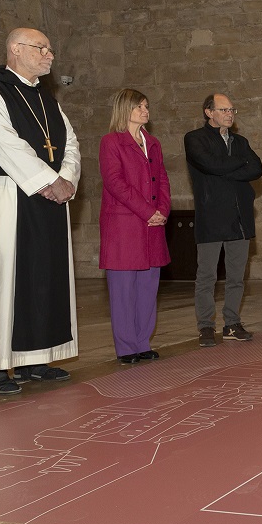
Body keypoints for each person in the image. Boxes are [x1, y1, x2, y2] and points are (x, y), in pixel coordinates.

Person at [0, 27, 81, 395]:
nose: (49, 55)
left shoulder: (47, 99)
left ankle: (34, 358)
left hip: (50, 197)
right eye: (41, 48)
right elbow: (3, 143)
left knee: (44, 276)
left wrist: (67, 180)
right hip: (8, 195)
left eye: (50, 49)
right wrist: (48, 181)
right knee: (4, 279)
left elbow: (71, 142)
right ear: (15, 49)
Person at [185, 93, 262, 347]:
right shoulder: (195, 139)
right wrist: (239, 165)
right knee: (207, 276)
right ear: (209, 112)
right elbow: (210, 164)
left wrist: (227, 166)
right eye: (224, 110)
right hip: (211, 216)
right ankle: (206, 326)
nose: (230, 114)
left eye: (232, 110)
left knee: (236, 277)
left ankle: (232, 323)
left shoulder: (241, 141)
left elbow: (257, 168)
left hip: (240, 218)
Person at [99, 89, 171, 364]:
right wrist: (146, 211)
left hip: (152, 225)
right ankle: (127, 347)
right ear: (124, 109)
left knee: (147, 288)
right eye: (139, 106)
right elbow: (115, 183)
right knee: (123, 290)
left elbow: (162, 178)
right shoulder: (111, 142)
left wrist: (162, 210)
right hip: (125, 226)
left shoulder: (152, 143)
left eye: (146, 106)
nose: (145, 110)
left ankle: (143, 341)